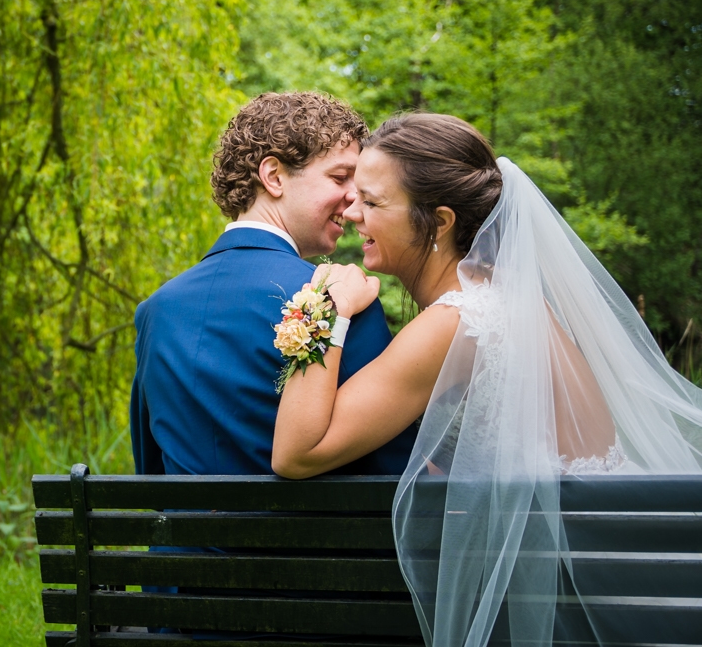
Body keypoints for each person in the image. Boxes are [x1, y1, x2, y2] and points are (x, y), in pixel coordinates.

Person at [273, 112, 702, 647]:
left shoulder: (458, 321)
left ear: (441, 220)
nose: (353, 212)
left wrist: (326, 308)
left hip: (576, 602)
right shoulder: (503, 296)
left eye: (374, 202)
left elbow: (297, 452)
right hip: (615, 573)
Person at [130, 91, 416, 478]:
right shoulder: (339, 298)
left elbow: (151, 472)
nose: (354, 199)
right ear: (274, 176)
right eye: (339, 177)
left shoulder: (155, 311)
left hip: (182, 541)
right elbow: (393, 474)